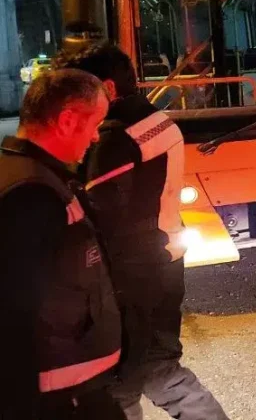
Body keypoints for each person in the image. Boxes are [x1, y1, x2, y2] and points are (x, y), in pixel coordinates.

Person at [54, 44, 228, 420]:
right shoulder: (155, 118)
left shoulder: (115, 137)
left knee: (125, 382)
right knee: (154, 370)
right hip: (163, 260)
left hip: (131, 275)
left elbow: (97, 215)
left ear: (108, 88)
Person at [0, 69, 124, 419]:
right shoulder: (31, 195)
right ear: (68, 121)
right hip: (57, 400)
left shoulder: (32, 177)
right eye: (95, 124)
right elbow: (11, 313)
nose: (97, 137)